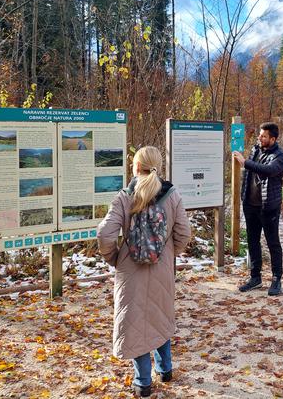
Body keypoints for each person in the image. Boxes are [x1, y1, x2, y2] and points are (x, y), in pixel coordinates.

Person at [97, 146, 191, 398]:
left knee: (136, 321)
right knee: (160, 315)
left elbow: (105, 234)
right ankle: (166, 369)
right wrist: (169, 252)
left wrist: (115, 258)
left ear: (135, 166)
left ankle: (143, 382)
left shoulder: (125, 196)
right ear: (157, 166)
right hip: (162, 268)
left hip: (130, 270)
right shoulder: (172, 195)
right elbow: (184, 232)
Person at [233, 122, 283, 296]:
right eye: (260, 135)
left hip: (268, 207)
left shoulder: (280, 156)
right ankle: (255, 277)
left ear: (273, 139)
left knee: (273, 243)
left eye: (264, 136)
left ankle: (276, 279)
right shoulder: (256, 149)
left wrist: (245, 162)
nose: (260, 138)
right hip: (250, 205)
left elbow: (268, 171)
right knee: (252, 241)